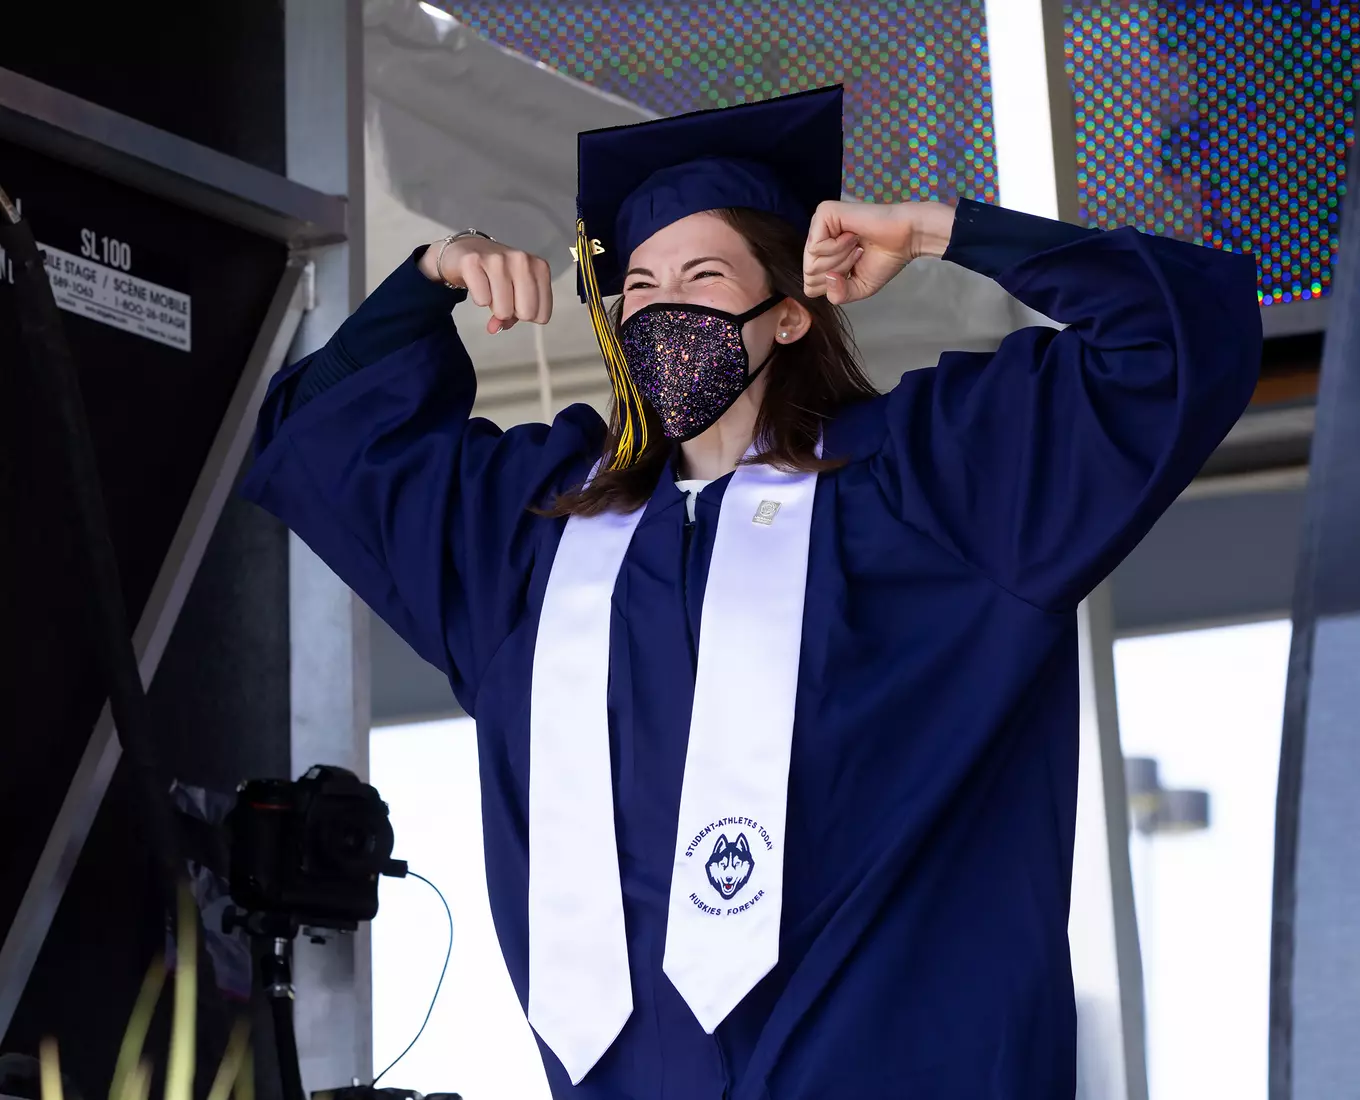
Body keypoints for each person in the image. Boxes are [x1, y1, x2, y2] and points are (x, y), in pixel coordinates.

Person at [242, 86, 1260, 1098]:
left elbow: (1176, 342)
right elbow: (318, 444)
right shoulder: (533, 539)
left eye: (704, 272)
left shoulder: (932, 487)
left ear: (787, 314)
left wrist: (941, 229)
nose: (663, 306)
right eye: (639, 284)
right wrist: (435, 274)